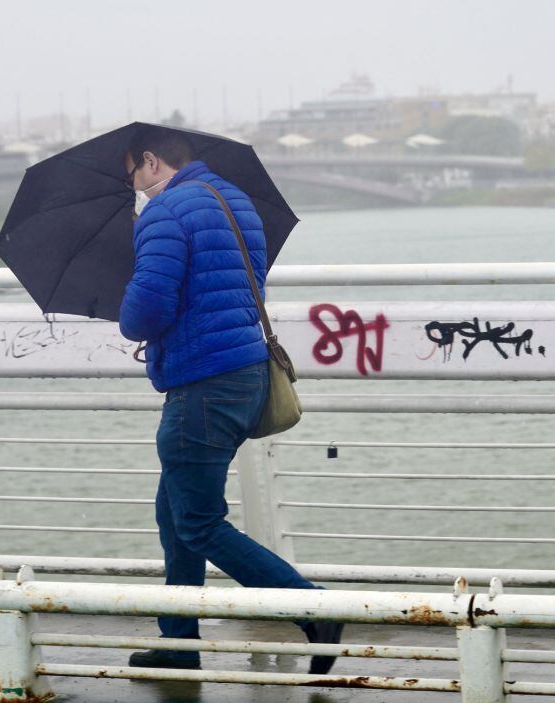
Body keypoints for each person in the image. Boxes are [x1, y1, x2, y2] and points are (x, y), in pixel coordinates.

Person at [118, 126, 342, 674]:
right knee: (173, 511)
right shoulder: (234, 200)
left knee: (198, 521)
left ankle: (313, 609)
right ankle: (178, 645)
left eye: (134, 177)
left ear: (151, 162)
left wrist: (141, 245)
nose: (137, 189)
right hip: (246, 372)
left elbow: (141, 316)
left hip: (203, 383)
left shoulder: (165, 215)